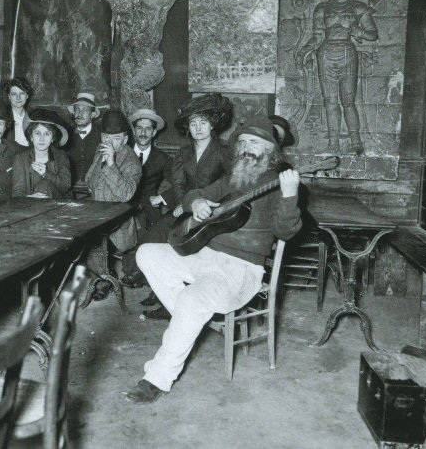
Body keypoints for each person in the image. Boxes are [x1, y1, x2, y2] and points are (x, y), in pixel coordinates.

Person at [125, 115, 302, 403]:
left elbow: (286, 231)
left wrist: (291, 194)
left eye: (254, 143)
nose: (246, 148)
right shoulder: (234, 177)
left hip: (240, 271)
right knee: (147, 253)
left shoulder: (280, 183)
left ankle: (156, 377)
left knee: (192, 300)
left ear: (270, 150)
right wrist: (195, 203)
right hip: (204, 255)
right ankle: (187, 323)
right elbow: (195, 194)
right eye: (242, 142)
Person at [70, 0, 223, 115]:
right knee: (127, 106)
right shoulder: (120, 4)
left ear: (135, 5)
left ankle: (147, 121)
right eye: (121, 16)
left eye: (126, 15)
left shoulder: (155, 8)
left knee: (135, 90)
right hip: (129, 67)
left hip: (152, 66)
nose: (124, 19)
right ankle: (133, 130)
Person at [133, 94, 232, 313]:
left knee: (182, 243)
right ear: (188, 126)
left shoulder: (223, 151)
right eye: (193, 123)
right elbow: (178, 184)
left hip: (212, 211)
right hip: (186, 206)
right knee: (157, 233)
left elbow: (230, 184)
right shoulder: (184, 153)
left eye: (203, 123)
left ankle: (176, 300)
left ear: (212, 124)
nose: (198, 128)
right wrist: (180, 203)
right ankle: (157, 288)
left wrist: (207, 205)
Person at [295, 0, 378, 155]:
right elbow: (317, 36)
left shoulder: (358, 7)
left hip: (348, 54)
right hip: (325, 55)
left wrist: (357, 31)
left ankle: (355, 140)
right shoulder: (322, 9)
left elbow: (373, 34)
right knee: (330, 102)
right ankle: (333, 142)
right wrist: (304, 50)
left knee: (348, 101)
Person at [85, 110, 142, 298]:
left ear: (125, 140)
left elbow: (126, 194)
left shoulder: (132, 162)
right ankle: (104, 274)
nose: (110, 143)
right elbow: (88, 181)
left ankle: (104, 279)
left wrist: (110, 164)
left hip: (118, 223)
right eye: (106, 138)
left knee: (90, 240)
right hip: (97, 213)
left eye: (116, 138)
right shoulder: (100, 151)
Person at [119, 108, 171, 286]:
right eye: (139, 128)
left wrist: (162, 197)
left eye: (148, 129)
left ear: (154, 132)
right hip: (123, 202)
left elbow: (178, 183)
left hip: (149, 204)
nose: (143, 133)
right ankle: (130, 272)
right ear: (133, 130)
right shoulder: (121, 154)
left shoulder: (162, 158)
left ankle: (141, 274)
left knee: (157, 232)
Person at [12, 108, 71, 199]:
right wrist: (30, 198)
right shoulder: (20, 158)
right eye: (37, 133)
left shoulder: (61, 156)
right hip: (30, 208)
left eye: (47, 134)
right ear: (31, 137)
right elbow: (17, 192)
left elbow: (65, 186)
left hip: (57, 206)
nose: (41, 138)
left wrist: (46, 173)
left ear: (53, 138)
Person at [66, 92, 103, 188]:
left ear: (93, 114)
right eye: (77, 109)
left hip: (95, 187)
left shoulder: (102, 136)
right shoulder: (66, 134)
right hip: (70, 186)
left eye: (85, 110)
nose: (79, 113)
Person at [1, 77, 33, 147]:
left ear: (27, 95)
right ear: (9, 96)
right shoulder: (3, 115)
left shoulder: (33, 116)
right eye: (14, 94)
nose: (18, 97)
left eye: (21, 93)